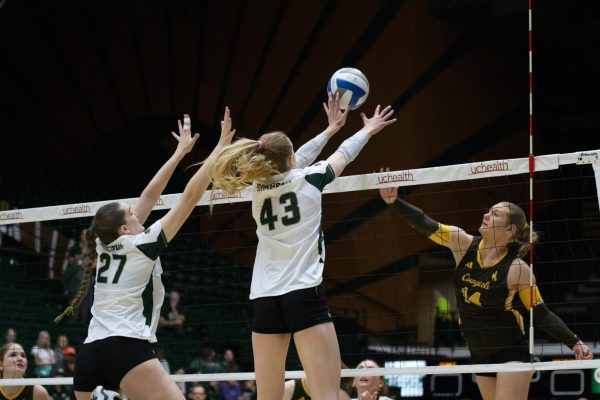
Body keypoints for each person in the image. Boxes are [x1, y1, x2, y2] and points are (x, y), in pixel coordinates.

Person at [210, 93, 396, 400]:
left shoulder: (258, 188)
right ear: (291, 158)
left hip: (265, 299)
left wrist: (331, 128)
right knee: (327, 394)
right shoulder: (310, 179)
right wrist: (367, 129)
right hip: (303, 294)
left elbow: (293, 160)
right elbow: (343, 154)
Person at [54, 109, 236, 400]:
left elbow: (149, 196)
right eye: (131, 213)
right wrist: (218, 151)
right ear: (124, 228)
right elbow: (189, 198)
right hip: (125, 347)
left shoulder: (103, 243)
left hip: (90, 353)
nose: (138, 212)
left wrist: (179, 154)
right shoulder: (143, 245)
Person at [378, 183, 593, 400]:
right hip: (479, 353)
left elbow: (540, 313)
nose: (486, 215)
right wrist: (394, 202)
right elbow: (425, 224)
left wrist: (574, 342)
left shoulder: (517, 269)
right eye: (489, 211)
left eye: (495, 214)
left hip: (511, 352)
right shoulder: (461, 244)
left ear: (510, 230)